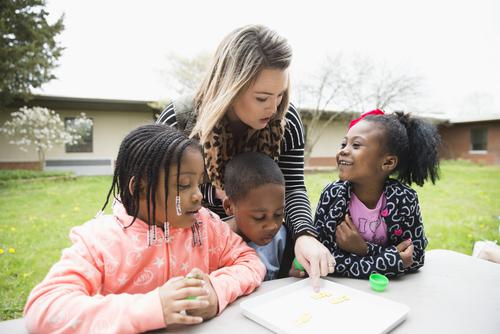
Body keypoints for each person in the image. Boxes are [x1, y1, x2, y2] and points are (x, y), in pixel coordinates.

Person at [23, 124, 265, 333]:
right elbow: (43, 308)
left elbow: (249, 261)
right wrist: (152, 307)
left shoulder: (205, 226)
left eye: (199, 183)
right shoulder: (99, 242)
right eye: (183, 185)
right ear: (139, 188)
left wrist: (216, 290)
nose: (198, 196)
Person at [156, 24, 334, 289]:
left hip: (263, 245)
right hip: (194, 253)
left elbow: (293, 187)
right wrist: (218, 231)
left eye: (280, 94)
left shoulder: (287, 121)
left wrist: (305, 235)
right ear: (230, 87)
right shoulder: (179, 122)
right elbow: (159, 202)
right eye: (262, 97)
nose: (274, 108)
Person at [315, 109, 441, 278]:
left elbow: (415, 258)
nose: (344, 150)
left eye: (356, 145)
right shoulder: (332, 196)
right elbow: (324, 258)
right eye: (343, 144)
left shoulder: (405, 199)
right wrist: (391, 261)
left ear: (387, 162)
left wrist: (364, 249)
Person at [222, 152, 295, 280]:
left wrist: (291, 276)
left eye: (278, 214)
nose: (273, 226)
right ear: (229, 207)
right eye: (259, 217)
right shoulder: (214, 245)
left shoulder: (282, 240)